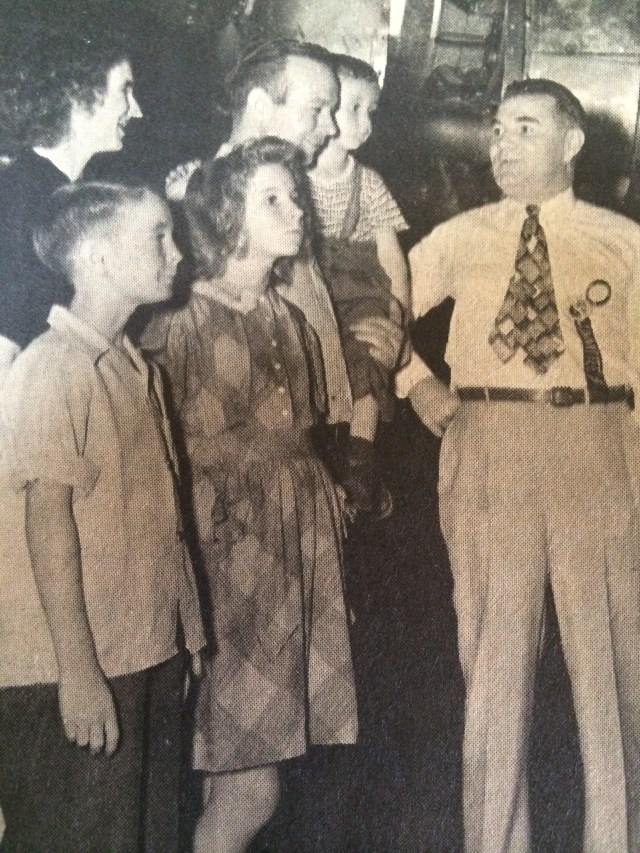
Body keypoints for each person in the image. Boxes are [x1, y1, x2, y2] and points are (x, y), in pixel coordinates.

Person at [399, 77, 640, 852]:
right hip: (488, 443)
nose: (502, 145)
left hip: (593, 447)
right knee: (494, 672)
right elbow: (368, 310)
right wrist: (415, 382)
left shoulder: (624, 241)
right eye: (497, 130)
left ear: (572, 142)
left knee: (613, 670)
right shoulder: (456, 237)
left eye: (525, 128)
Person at [143, 137, 358, 853]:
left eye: (294, 195)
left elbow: (303, 434)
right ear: (225, 211)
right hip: (224, 557)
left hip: (291, 549)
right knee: (252, 788)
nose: (295, 209)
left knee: (232, 774)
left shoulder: (286, 317)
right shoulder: (179, 322)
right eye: (272, 198)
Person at [0, 182, 205, 852]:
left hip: (140, 651)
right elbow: (46, 522)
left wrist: (185, 634)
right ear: (95, 257)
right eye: (157, 235)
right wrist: (79, 672)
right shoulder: (54, 367)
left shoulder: (132, 366)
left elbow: (159, 521)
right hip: (72, 668)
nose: (177, 253)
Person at [165, 39, 406, 433]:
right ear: (261, 106)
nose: (329, 128)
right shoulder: (193, 206)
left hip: (322, 429)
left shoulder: (295, 194)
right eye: (316, 110)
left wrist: (391, 330)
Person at [0, 25, 142, 380]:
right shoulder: (27, 200)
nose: (136, 110)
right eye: (125, 90)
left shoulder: (60, 191)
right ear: (81, 98)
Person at [308, 53, 410, 516]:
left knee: (369, 354)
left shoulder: (368, 183)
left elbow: (392, 258)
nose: (365, 123)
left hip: (358, 288)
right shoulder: (292, 176)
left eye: (371, 111)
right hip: (309, 288)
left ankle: (361, 459)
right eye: (354, 108)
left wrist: (400, 320)